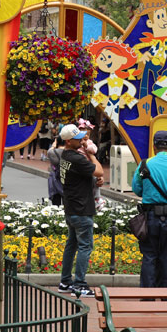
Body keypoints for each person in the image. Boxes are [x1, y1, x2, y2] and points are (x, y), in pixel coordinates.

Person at [131, 130, 167, 288]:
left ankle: (147, 295)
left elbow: (137, 189)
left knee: (149, 256)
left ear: (154, 146)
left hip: (149, 218)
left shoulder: (145, 164)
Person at [56, 124, 104, 297]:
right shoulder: (77, 158)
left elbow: (81, 177)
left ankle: (65, 281)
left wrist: (94, 181)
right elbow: (98, 170)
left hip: (71, 208)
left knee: (72, 245)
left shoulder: (65, 156)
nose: (82, 140)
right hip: (81, 209)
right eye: (78, 138)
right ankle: (80, 284)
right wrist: (91, 153)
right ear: (68, 141)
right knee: (85, 246)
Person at [46, 136, 64, 206]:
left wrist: (54, 144)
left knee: (56, 205)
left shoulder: (52, 152)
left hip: (54, 179)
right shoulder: (69, 152)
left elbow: (49, 151)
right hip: (65, 179)